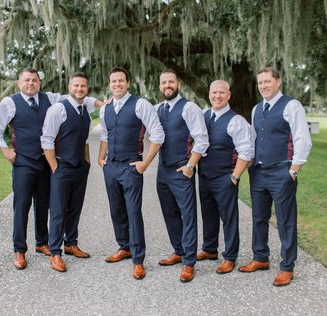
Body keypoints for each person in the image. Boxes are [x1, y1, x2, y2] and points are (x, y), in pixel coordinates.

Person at [0, 68, 100, 270]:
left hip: (45, 162)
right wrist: (5, 150)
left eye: (34, 80)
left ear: (39, 83)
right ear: (19, 82)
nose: (31, 83)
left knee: (44, 204)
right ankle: (19, 250)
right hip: (24, 161)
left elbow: (76, 95)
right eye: (26, 80)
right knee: (22, 206)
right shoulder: (10, 103)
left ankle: (42, 243)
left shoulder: (50, 98)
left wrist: (101, 103)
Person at [238, 67, 312, 287]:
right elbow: (253, 139)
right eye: (260, 82)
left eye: (267, 81)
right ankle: (260, 257)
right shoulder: (256, 109)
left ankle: (287, 267)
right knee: (259, 217)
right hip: (258, 172)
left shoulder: (291, 105)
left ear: (278, 82)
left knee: (285, 220)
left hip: (282, 171)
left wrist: (294, 170)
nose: (263, 86)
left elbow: (302, 139)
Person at [98, 67, 164, 280]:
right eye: (113, 81)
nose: (117, 84)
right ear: (109, 84)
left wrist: (145, 163)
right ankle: (124, 247)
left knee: (133, 212)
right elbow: (106, 135)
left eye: (120, 81)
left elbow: (158, 135)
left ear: (128, 83)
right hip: (112, 167)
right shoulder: (105, 108)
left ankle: (138, 260)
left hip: (131, 167)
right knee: (116, 210)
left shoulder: (140, 104)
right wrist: (101, 159)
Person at [155, 70, 209, 283]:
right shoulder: (157, 108)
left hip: (182, 170)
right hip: (162, 170)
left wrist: (190, 166)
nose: (167, 85)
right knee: (170, 213)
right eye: (163, 82)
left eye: (170, 82)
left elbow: (201, 139)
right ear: (160, 86)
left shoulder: (189, 107)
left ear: (178, 84)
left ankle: (188, 262)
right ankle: (178, 251)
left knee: (188, 215)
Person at [197, 80, 253, 275]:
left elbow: (246, 151)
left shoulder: (236, 121)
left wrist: (235, 177)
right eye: (214, 93)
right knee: (208, 213)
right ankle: (209, 249)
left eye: (222, 93)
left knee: (228, 218)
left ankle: (229, 256)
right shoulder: (203, 115)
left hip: (225, 177)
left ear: (229, 95)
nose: (217, 96)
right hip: (204, 176)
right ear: (209, 94)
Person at [41, 73, 93, 272]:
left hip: (80, 168)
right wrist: (55, 167)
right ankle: (55, 252)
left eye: (83, 86)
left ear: (86, 89)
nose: (79, 89)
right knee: (58, 211)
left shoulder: (85, 111)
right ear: (69, 86)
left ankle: (71, 243)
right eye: (76, 85)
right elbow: (46, 140)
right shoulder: (58, 109)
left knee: (75, 207)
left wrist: (87, 162)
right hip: (62, 167)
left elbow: (85, 139)